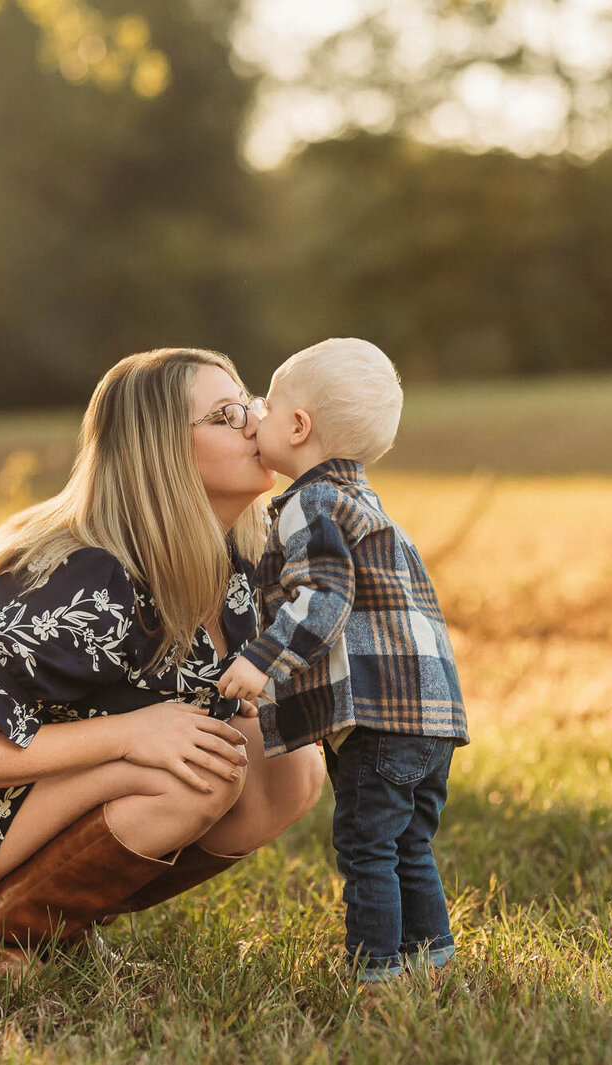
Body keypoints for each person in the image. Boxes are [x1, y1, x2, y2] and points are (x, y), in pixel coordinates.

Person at [0, 348, 325, 980]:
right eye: (225, 414)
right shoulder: (92, 579)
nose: (254, 423)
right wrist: (134, 734)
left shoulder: (233, 557)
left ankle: (52, 923)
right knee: (199, 773)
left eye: (249, 404)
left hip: (27, 778)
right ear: (163, 454)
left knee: (286, 761)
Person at [216, 337, 468, 984]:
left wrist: (260, 661)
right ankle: (433, 955)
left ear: (298, 426)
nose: (254, 417)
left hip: (379, 717)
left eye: (266, 407)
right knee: (407, 839)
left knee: (364, 845)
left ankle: (375, 970)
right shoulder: (364, 501)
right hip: (431, 713)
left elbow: (323, 597)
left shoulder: (310, 503)